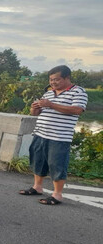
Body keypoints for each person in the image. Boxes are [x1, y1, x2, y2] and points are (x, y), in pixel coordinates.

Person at [19, 65, 88, 205]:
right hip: (40, 133)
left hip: (59, 137)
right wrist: (34, 108)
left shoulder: (78, 92)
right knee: (38, 161)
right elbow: (35, 114)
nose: (53, 83)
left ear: (67, 78)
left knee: (57, 164)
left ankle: (57, 195)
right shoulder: (49, 93)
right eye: (51, 80)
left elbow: (77, 110)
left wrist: (51, 105)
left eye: (56, 79)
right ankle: (37, 187)